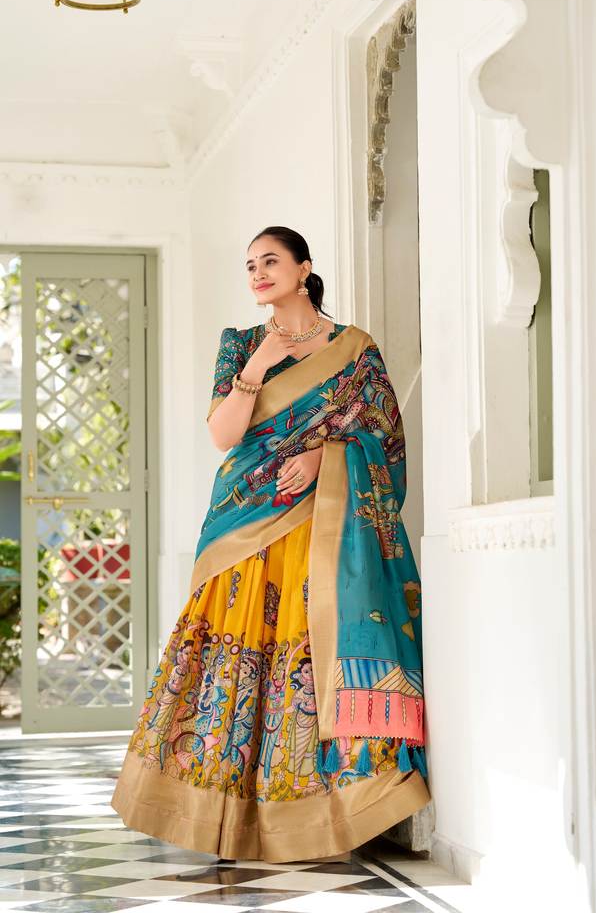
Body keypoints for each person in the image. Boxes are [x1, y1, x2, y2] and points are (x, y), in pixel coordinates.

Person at [111, 225, 431, 863]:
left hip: (324, 522)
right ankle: (222, 814)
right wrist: (256, 367)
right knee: (235, 656)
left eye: (271, 261)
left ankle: (330, 813)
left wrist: (324, 458)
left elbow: (386, 441)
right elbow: (224, 436)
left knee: (310, 653)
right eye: (250, 265)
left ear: (304, 268)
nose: (257, 273)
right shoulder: (239, 344)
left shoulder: (355, 350)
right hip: (242, 524)